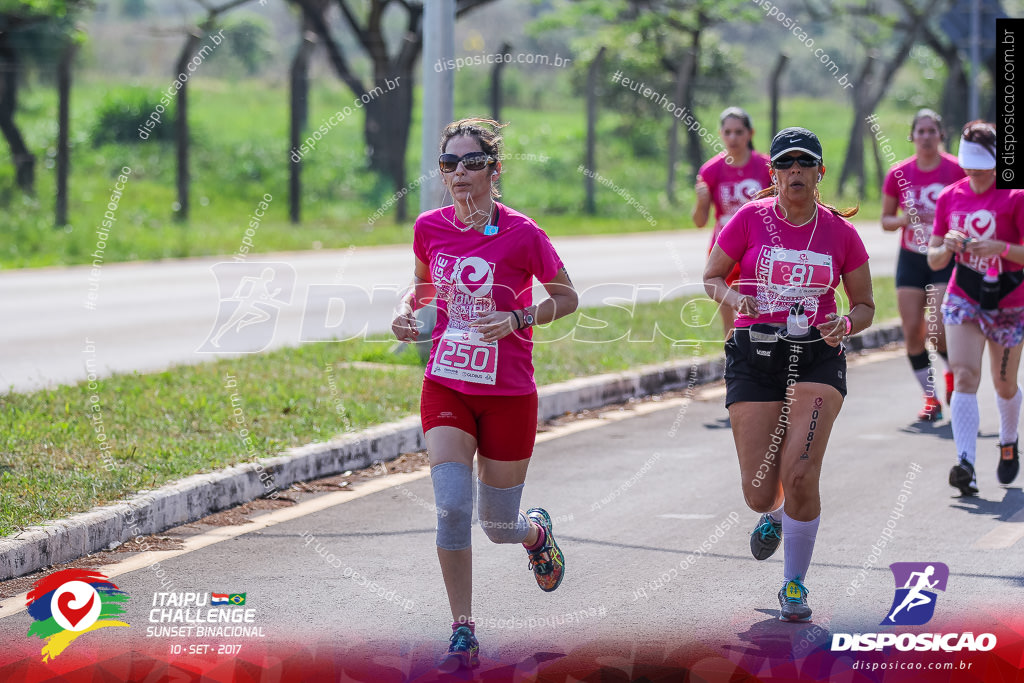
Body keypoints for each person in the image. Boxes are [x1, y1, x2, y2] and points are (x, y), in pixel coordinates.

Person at [391, 118, 578, 670]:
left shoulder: (525, 233)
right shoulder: (429, 226)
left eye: (472, 162)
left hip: (508, 391)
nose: (459, 173)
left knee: (498, 525)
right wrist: (410, 316)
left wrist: (518, 315)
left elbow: (567, 297)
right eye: (449, 163)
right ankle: (463, 629)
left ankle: (534, 533)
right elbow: (428, 291)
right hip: (447, 384)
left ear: (494, 171)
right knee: (452, 508)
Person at [703, 127, 874, 622]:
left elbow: (864, 306)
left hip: (817, 355)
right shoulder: (749, 219)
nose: (795, 172)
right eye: (786, 164)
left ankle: (794, 584)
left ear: (820, 173)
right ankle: (775, 516)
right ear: (773, 173)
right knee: (760, 490)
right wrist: (737, 298)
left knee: (800, 471)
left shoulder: (840, 233)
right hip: (755, 354)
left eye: (805, 164)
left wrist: (844, 323)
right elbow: (712, 277)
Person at [927, 120, 1024, 495]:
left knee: (1003, 384)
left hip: (1009, 301)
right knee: (965, 375)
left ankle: (1008, 441)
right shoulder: (950, 196)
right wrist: (948, 246)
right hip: (964, 295)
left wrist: (1000, 248)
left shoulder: (1015, 196)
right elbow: (934, 260)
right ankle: (965, 462)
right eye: (968, 167)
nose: (973, 175)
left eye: (981, 168)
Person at [882, 109, 965, 421]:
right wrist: (906, 218)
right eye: (921, 131)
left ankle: (952, 377)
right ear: (912, 136)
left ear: (941, 135)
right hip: (911, 257)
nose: (927, 137)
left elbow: (974, 205)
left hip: (944, 256)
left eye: (932, 131)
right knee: (913, 332)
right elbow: (886, 221)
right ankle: (930, 398)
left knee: (939, 330)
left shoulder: (957, 170)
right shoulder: (898, 174)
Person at [692, 107, 773, 336]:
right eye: (727, 132)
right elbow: (700, 221)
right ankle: (734, 367)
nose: (733, 138)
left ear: (750, 133)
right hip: (724, 249)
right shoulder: (711, 170)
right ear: (720, 134)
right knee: (731, 324)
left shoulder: (766, 167)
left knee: (759, 318)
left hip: (758, 248)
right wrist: (701, 202)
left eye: (739, 132)